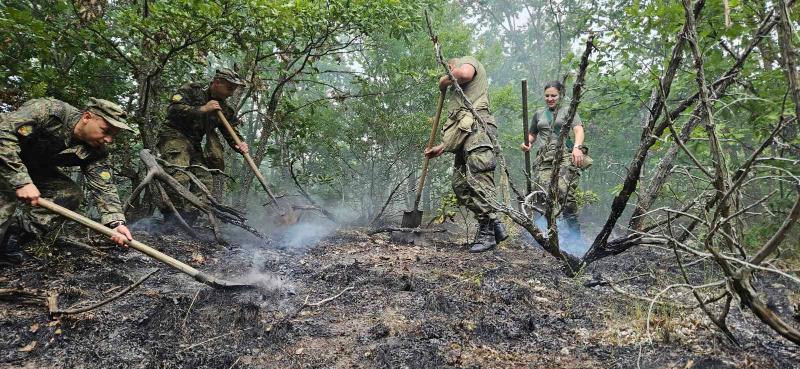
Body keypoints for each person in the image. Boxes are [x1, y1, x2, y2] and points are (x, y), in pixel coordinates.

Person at [0, 97, 135, 264]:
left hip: (33, 168)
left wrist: (116, 223)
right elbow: (3, 133)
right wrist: (21, 181)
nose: (108, 140)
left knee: (68, 193)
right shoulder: (48, 111)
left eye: (113, 135)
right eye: (105, 130)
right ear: (87, 117)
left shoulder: (96, 150)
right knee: (4, 200)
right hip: (6, 157)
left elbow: (104, 187)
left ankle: (10, 241)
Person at [424, 56, 508, 253]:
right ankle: (494, 223)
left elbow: (463, 74)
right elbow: (461, 126)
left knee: (480, 181)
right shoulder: (460, 94)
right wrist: (442, 147)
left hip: (479, 131)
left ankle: (487, 233)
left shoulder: (467, 61)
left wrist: (443, 81)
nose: (449, 74)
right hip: (467, 137)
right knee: (460, 185)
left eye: (449, 69)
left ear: (452, 65)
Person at [157, 68, 248, 224]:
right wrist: (203, 109)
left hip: (194, 143)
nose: (232, 93)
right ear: (217, 82)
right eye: (230, 88)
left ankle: (189, 221)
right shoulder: (192, 90)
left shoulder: (224, 109)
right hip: (173, 136)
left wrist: (239, 144)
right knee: (179, 174)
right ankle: (171, 220)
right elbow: (173, 110)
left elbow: (230, 131)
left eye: (234, 89)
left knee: (204, 180)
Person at [520, 80, 588, 233]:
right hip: (544, 159)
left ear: (561, 95)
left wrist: (577, 148)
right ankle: (545, 234)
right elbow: (532, 134)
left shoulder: (568, 111)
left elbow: (578, 130)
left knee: (565, 194)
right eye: (547, 96)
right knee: (542, 196)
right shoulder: (539, 114)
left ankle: (574, 235)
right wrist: (527, 143)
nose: (550, 99)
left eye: (554, 96)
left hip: (564, 155)